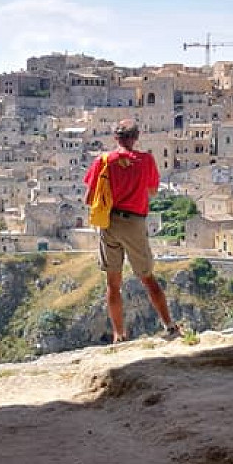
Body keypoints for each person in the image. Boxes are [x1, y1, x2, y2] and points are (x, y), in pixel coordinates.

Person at [83, 119, 180, 343]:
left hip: (109, 223)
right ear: (136, 138)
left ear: (115, 138)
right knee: (147, 277)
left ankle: (119, 334)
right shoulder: (145, 160)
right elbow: (153, 190)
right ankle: (169, 326)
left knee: (113, 283)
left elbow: (89, 197)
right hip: (134, 223)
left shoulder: (104, 160)